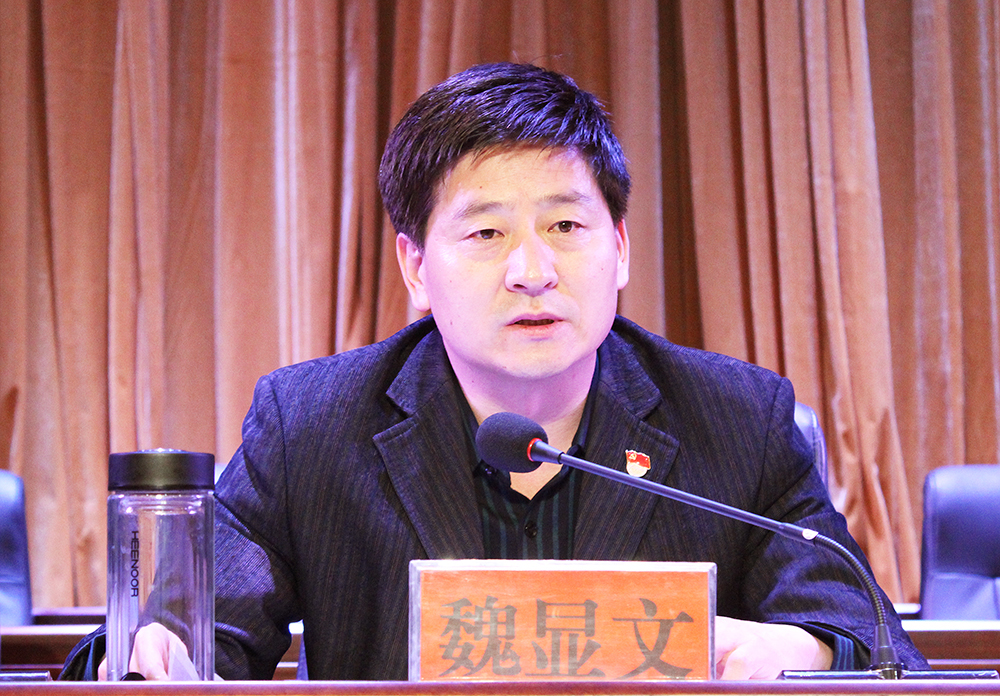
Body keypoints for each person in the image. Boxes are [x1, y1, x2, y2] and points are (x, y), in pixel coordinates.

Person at [62, 61, 926, 681]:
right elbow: (197, 631)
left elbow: (871, 640)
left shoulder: (737, 417)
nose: (532, 271)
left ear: (621, 248)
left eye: (566, 227)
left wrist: (799, 650)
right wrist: (156, 654)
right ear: (414, 267)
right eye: (485, 233)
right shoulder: (312, 424)